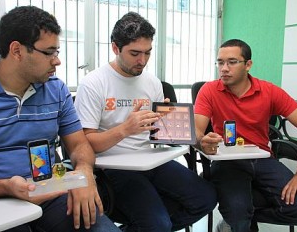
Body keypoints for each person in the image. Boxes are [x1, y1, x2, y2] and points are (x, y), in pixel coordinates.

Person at [0, 6, 120, 232]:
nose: (57, 62)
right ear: (16, 50)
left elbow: (79, 144)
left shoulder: (56, 90)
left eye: (58, 52)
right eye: (49, 53)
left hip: (51, 191)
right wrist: (6, 187)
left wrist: (83, 173)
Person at [74, 12, 217, 232]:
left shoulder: (151, 82)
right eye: (135, 53)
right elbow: (84, 144)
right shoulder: (94, 83)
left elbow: (164, 134)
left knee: (206, 198)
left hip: (150, 160)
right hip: (113, 166)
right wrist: (124, 130)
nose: (142, 61)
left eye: (147, 53)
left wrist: (192, 136)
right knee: (157, 224)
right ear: (115, 48)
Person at [194, 38, 297, 232]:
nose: (224, 68)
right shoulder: (210, 90)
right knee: (238, 215)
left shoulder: (268, 91)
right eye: (220, 62)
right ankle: (237, 218)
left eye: (232, 62)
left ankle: (239, 217)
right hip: (227, 160)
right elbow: (196, 130)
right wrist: (202, 141)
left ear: (248, 65)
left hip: (262, 158)